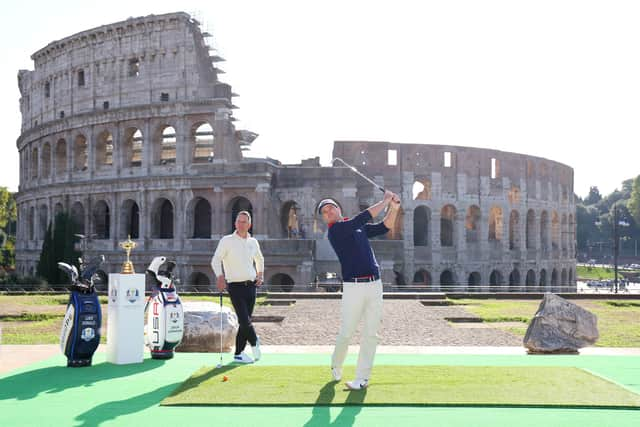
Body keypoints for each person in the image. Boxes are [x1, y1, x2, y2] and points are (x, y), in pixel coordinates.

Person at [318, 190, 401, 390]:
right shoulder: (336, 230)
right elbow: (362, 217)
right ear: (324, 218)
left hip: (374, 284)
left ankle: (362, 378)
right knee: (347, 332)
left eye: (331, 208)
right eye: (324, 212)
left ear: (339, 209)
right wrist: (385, 201)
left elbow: (385, 226)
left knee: (371, 334)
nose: (328, 212)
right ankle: (336, 365)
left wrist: (394, 208)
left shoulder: (356, 227)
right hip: (353, 287)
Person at [211, 211, 264, 364]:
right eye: (239, 221)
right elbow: (215, 260)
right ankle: (254, 341)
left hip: (251, 286)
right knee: (244, 320)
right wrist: (220, 276)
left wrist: (260, 274)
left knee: (244, 322)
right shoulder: (226, 241)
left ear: (249, 225)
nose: (241, 224)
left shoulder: (253, 242)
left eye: (244, 222)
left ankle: (239, 354)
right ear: (235, 224)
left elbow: (260, 259)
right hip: (234, 286)